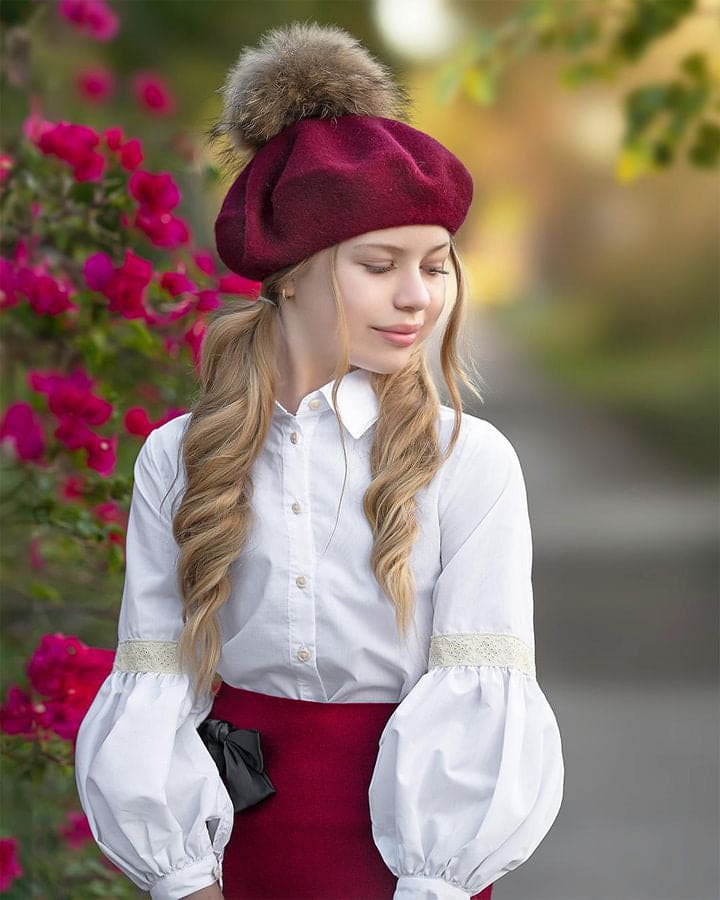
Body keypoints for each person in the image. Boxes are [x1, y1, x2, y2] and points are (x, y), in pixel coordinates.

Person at [74, 20, 564, 900]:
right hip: (234, 850)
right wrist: (184, 879)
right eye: (380, 264)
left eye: (435, 266)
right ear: (291, 271)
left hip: (415, 859)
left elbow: (481, 688)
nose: (417, 297)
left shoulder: (467, 461)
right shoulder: (180, 457)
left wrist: (432, 881)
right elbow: (157, 673)